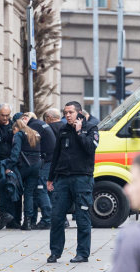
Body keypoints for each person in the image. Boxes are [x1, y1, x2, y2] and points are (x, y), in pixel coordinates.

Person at [47, 101, 98, 263]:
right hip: (62, 178)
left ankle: (82, 253)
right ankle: (55, 252)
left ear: (79, 113)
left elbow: (90, 148)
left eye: (70, 112)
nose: (67, 115)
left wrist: (79, 133)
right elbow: (56, 155)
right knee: (56, 216)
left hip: (82, 178)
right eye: (65, 112)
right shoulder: (62, 129)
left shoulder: (90, 128)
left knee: (82, 216)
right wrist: (50, 178)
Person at [7, 115, 43, 230]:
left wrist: (9, 166)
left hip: (24, 166)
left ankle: (16, 219)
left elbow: (15, 152)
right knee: (29, 194)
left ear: (16, 128)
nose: (13, 133)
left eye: (13, 131)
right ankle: (28, 221)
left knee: (17, 191)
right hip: (36, 166)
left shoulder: (19, 134)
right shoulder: (35, 133)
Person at [27, 111, 55, 229]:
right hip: (50, 160)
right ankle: (46, 219)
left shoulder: (33, 126)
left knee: (41, 189)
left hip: (46, 161)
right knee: (43, 190)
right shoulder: (40, 124)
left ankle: (47, 219)